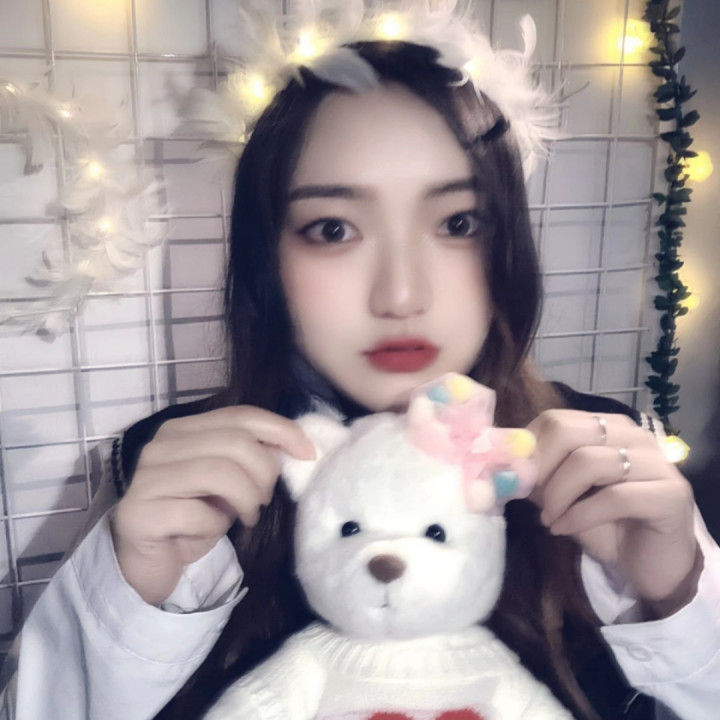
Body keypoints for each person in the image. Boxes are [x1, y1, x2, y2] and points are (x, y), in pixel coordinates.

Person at [4, 9, 720, 720]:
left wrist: (680, 599)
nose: (400, 295)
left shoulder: (600, 461)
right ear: (268, 258)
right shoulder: (174, 474)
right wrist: (129, 599)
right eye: (333, 229)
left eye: (458, 223)